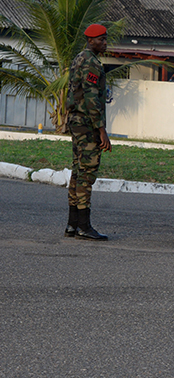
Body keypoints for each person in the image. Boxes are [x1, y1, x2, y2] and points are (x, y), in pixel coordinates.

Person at [64, 23, 113, 241]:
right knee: (87, 172)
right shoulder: (91, 63)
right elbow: (92, 99)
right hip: (86, 123)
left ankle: (72, 225)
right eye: (101, 39)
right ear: (90, 40)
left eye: (105, 39)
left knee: (77, 171)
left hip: (76, 121)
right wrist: (101, 130)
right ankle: (84, 226)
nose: (104, 43)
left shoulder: (78, 58)